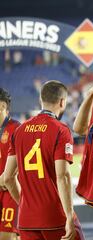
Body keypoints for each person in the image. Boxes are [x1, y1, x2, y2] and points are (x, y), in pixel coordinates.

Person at [2, 80, 84, 240]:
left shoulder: (19, 131)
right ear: (62, 102)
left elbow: (8, 177)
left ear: (41, 100)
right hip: (54, 217)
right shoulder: (61, 130)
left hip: (26, 219)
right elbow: (63, 176)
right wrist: (69, 216)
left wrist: (25, 204)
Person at [0, 88, 20, 240]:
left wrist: (6, 177)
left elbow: (22, 164)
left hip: (10, 190)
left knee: (6, 236)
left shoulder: (16, 129)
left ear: (5, 109)